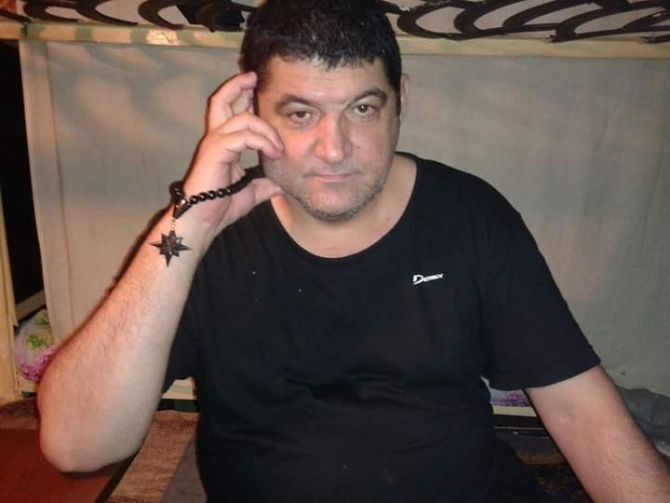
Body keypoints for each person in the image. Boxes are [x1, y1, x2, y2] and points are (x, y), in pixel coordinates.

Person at [38, 0, 670, 501]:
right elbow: (76, 445)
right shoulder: (206, 235)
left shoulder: (470, 215)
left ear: (401, 102)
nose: (334, 149)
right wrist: (190, 223)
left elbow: (581, 410)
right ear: (250, 111)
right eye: (300, 114)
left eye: (362, 108)